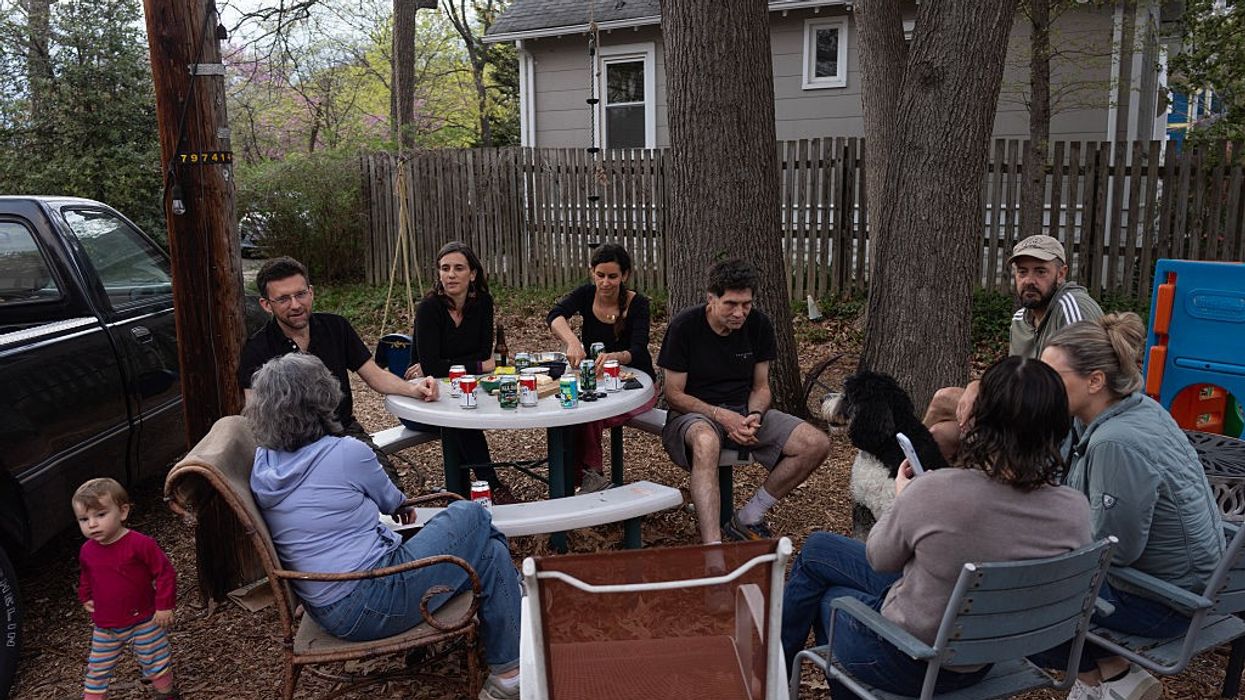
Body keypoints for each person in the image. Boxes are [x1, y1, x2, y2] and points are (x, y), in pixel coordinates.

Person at [781, 356, 1092, 698]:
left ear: (977, 422)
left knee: (832, 599)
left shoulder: (937, 490)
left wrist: (905, 498)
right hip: (989, 651)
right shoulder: (1075, 509)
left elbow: (879, 557)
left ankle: (778, 672)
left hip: (910, 659)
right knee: (818, 548)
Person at [246, 353, 523, 700]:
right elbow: (394, 503)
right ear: (322, 398)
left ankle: (509, 672)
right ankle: (514, 602)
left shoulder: (263, 463)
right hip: (374, 597)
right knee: (472, 515)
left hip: (324, 601)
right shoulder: (346, 453)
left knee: (491, 549)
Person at [1039, 313, 1224, 700]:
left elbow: (1115, 550)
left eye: (1054, 378)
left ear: (1095, 381)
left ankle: (1095, 682)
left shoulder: (1115, 442)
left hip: (1164, 603)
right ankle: (1114, 672)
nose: (1043, 388)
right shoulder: (1137, 409)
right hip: (1184, 585)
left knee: (1015, 605)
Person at [657, 259, 830, 543]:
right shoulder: (684, 326)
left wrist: (755, 415)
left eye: (746, 304)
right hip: (693, 414)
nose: (740, 313)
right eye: (731, 304)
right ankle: (712, 545)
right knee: (706, 442)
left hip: (743, 410)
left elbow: (761, 387)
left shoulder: (759, 325)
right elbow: (674, 394)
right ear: (711, 299)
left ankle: (749, 516)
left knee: (816, 443)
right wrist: (721, 416)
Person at [238, 256, 439, 483]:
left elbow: (374, 375)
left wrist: (414, 389)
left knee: (389, 485)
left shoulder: (336, 327)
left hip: (344, 431)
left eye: (300, 294)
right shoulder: (257, 349)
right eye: (283, 299)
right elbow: (255, 413)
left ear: (311, 292)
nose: (295, 305)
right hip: (291, 447)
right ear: (266, 305)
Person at [923, 234, 1104, 459]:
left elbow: (1086, 386)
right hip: (1023, 414)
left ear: (1061, 274)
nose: (1029, 280)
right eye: (1022, 272)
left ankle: (892, 465)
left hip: (1055, 426)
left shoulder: (1071, 307)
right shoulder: (1021, 319)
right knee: (941, 435)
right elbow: (1013, 380)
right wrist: (978, 386)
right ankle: (913, 478)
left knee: (943, 398)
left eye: (1040, 271)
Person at [403, 241, 512, 502]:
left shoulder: (483, 303)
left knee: (464, 413)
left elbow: (485, 353)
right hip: (425, 397)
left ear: (472, 274)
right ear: (438, 273)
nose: (451, 274)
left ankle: (464, 490)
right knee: (461, 420)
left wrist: (449, 363)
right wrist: (474, 365)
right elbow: (432, 367)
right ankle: (491, 484)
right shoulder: (429, 309)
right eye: (445, 268)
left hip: (463, 389)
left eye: (458, 268)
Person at [547, 243, 656, 493]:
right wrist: (572, 341)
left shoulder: (637, 304)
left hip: (636, 384)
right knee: (572, 407)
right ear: (591, 272)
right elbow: (555, 314)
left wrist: (613, 357)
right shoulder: (586, 294)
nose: (605, 282)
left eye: (612, 276)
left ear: (625, 275)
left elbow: (639, 349)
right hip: (596, 380)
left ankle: (590, 474)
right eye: (600, 275)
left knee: (590, 412)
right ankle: (571, 477)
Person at [73, 478, 179, 699]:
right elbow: (87, 575)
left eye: (100, 515)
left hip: (145, 619)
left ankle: (166, 693)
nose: (92, 524)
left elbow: (165, 573)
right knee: (97, 669)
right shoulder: (87, 550)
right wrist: (85, 596)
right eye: (84, 519)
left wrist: (164, 606)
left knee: (155, 661)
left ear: (122, 512)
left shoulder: (140, 544)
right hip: (106, 626)